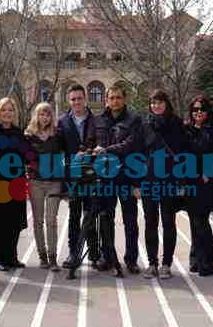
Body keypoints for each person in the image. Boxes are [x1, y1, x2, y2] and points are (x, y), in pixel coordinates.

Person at [94, 84, 143, 275]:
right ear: (106, 100)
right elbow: (93, 144)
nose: (115, 101)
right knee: (107, 219)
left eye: (118, 97)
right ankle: (108, 257)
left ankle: (131, 260)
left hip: (127, 177)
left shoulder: (134, 120)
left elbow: (131, 146)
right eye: (111, 98)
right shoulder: (99, 120)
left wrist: (106, 150)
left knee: (130, 220)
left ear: (124, 99)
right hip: (106, 177)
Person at [140, 89, 187, 279]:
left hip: (169, 181)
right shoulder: (145, 125)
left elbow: (183, 153)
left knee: (168, 222)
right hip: (148, 180)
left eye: (159, 102)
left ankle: (166, 264)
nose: (156, 105)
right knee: (150, 222)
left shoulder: (176, 124)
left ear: (166, 103)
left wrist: (181, 181)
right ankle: (152, 264)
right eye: (152, 102)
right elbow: (139, 152)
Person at [0, 97, 28, 272]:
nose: (7, 113)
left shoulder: (18, 132)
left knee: (14, 222)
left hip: (15, 182)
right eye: (4, 110)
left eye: (10, 110)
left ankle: (11, 257)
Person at [56, 84, 99, 268]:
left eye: (79, 98)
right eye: (73, 99)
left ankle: (94, 254)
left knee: (91, 215)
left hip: (91, 176)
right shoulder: (62, 121)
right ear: (69, 100)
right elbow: (59, 150)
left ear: (85, 98)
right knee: (73, 216)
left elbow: (101, 144)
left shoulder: (96, 120)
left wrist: (90, 154)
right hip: (73, 178)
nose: (76, 102)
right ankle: (73, 253)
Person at [184, 94, 213, 276]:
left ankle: (207, 262)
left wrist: (209, 172)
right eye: (195, 110)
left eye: (201, 109)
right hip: (190, 179)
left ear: (207, 111)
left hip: (206, 181)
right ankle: (195, 260)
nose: (198, 112)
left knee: (202, 221)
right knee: (194, 221)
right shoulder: (188, 129)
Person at [25, 102, 63, 271]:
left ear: (51, 116)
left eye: (48, 114)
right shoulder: (28, 135)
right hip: (36, 182)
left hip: (54, 182)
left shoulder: (58, 134)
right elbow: (25, 158)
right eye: (41, 114)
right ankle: (42, 257)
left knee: (51, 220)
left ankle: (53, 257)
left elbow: (64, 156)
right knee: (38, 221)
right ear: (36, 115)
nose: (45, 117)